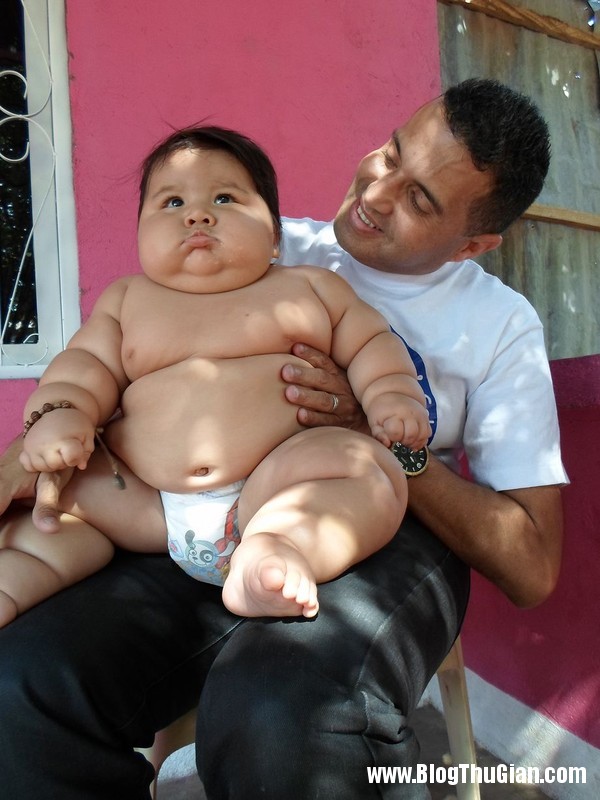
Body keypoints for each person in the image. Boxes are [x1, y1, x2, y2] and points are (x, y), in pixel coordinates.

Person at [0, 79, 566, 799]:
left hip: (372, 526)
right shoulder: (249, 236)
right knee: (20, 684)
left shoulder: (501, 325)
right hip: (179, 519)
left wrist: (378, 434)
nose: (376, 193)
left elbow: (531, 567)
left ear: (473, 244)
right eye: (391, 154)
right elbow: (103, 363)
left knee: (282, 712)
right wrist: (38, 444)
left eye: (420, 199)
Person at [0, 125, 430, 625]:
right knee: (51, 501)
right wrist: (60, 414)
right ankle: (12, 581)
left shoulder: (311, 288)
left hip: (276, 487)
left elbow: (372, 344)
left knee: (368, 471)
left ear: (274, 236)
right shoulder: (127, 301)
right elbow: (83, 368)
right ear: (139, 235)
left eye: (225, 198)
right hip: (143, 503)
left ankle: (277, 551)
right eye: (172, 202)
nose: (197, 215)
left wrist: (393, 395)